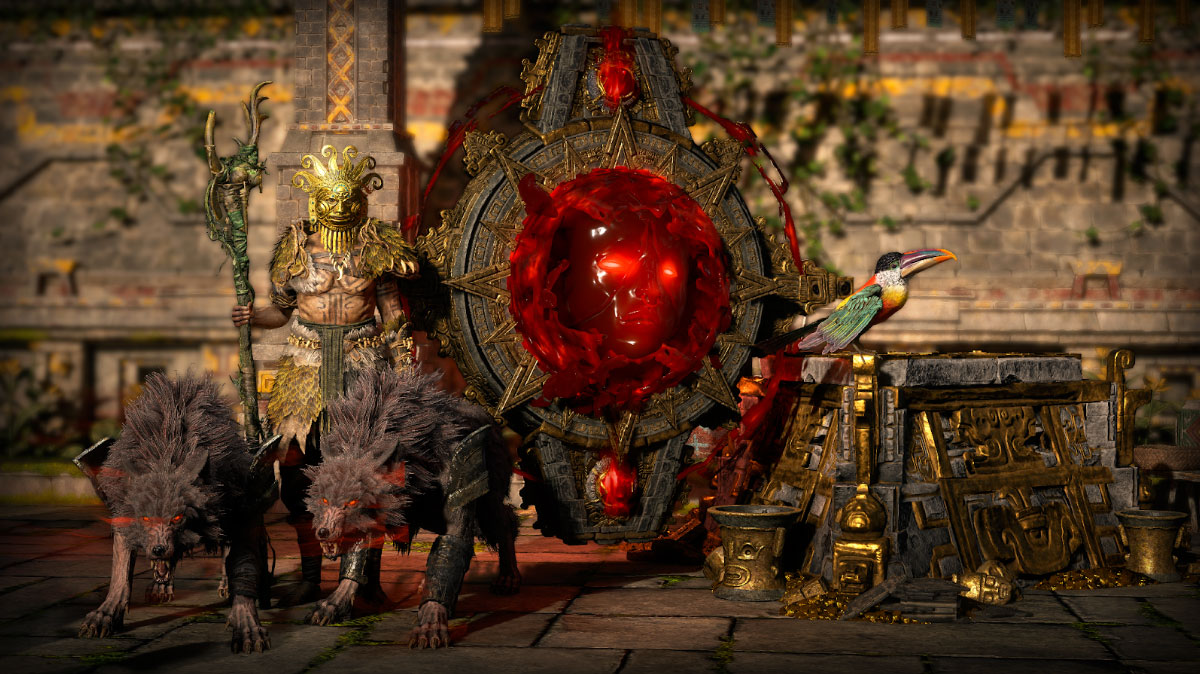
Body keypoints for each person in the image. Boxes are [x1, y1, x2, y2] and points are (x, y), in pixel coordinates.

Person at [232, 144, 419, 604]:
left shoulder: (376, 246)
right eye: (330, 199)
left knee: (368, 473)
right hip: (304, 369)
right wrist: (252, 317)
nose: (338, 207)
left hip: (363, 363)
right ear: (317, 200)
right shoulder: (296, 246)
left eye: (346, 198)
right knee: (298, 476)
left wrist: (405, 365)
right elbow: (281, 311)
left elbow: (393, 313)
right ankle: (311, 578)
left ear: (361, 197)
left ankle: (363, 580)